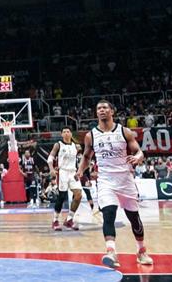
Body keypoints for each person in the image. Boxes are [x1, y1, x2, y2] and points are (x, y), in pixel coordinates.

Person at [76, 100, 153, 269]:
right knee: (108, 214)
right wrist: (81, 171)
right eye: (98, 108)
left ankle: (141, 251)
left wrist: (138, 157)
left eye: (105, 108)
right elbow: (87, 157)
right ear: (96, 113)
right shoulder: (91, 135)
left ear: (112, 111)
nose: (102, 110)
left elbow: (138, 151)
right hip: (105, 181)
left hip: (125, 179)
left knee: (134, 219)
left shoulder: (124, 131)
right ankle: (111, 252)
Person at [47, 128, 82, 231]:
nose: (66, 133)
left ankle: (69, 219)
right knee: (62, 197)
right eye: (64, 132)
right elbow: (50, 158)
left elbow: (79, 160)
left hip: (73, 172)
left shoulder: (76, 146)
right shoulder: (58, 144)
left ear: (71, 134)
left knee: (78, 195)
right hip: (62, 172)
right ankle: (55, 220)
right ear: (61, 134)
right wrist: (51, 169)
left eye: (68, 131)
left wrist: (80, 170)